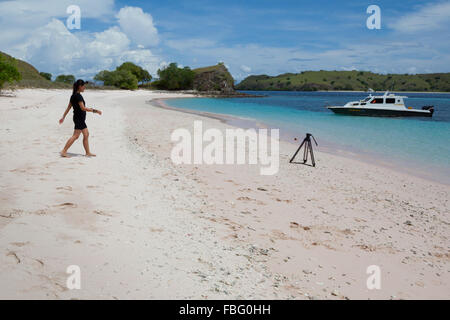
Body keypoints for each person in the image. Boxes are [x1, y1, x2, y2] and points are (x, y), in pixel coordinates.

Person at [59, 79, 102, 157]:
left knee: (86, 134)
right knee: (76, 136)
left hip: (78, 118)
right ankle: (64, 151)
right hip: (79, 119)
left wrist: (63, 117)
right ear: (80, 86)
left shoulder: (73, 95)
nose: (84, 87)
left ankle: (87, 152)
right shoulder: (78, 96)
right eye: (84, 86)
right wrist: (95, 110)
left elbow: (68, 107)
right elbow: (83, 108)